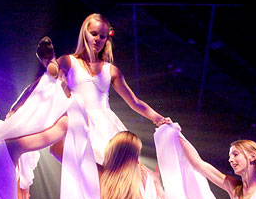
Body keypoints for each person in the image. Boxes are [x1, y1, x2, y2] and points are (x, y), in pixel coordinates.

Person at [53, 13, 170, 164]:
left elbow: (135, 102)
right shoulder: (67, 61)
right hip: (79, 121)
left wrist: (158, 118)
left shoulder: (111, 70)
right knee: (87, 168)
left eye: (102, 36)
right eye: (94, 34)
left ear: (107, 39)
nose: (97, 39)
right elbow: (46, 87)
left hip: (105, 125)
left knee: (120, 171)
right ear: (85, 33)